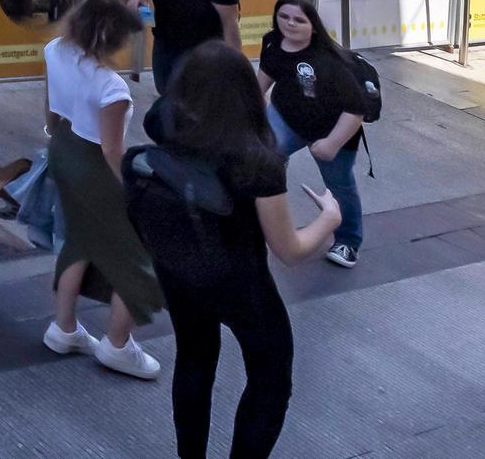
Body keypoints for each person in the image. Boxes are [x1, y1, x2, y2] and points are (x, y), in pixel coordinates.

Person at [138, 42, 343, 459]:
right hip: (240, 282)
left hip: (179, 268)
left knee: (194, 359)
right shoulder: (256, 159)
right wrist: (329, 219)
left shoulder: (164, 123)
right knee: (271, 379)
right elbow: (289, 249)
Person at [41, 0, 164, 380]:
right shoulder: (111, 87)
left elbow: (51, 107)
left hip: (63, 148)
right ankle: (117, 345)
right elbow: (112, 150)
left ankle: (64, 328)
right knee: (134, 258)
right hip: (95, 167)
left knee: (77, 241)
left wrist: (53, 135)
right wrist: (128, 193)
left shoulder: (55, 50)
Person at [257, 0, 368, 267]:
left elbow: (356, 109)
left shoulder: (329, 61)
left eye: (299, 20)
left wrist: (331, 143)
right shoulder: (272, 42)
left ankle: (348, 241)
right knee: (264, 158)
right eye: (284, 16)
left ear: (313, 26)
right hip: (287, 117)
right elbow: (262, 81)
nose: (289, 23)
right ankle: (267, 215)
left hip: (333, 129)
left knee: (339, 185)